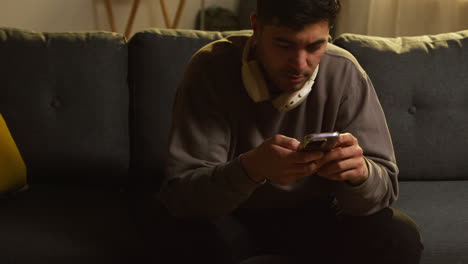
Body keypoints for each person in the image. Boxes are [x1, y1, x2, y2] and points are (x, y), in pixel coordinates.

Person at [158, 0, 424, 263]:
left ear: (328, 34)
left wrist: (360, 176)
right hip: (233, 213)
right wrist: (250, 169)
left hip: (318, 215)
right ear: (256, 28)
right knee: (183, 235)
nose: (299, 64)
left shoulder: (344, 71)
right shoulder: (210, 67)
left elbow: (384, 189)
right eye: (283, 45)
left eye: (315, 46)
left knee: (398, 235)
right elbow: (184, 197)